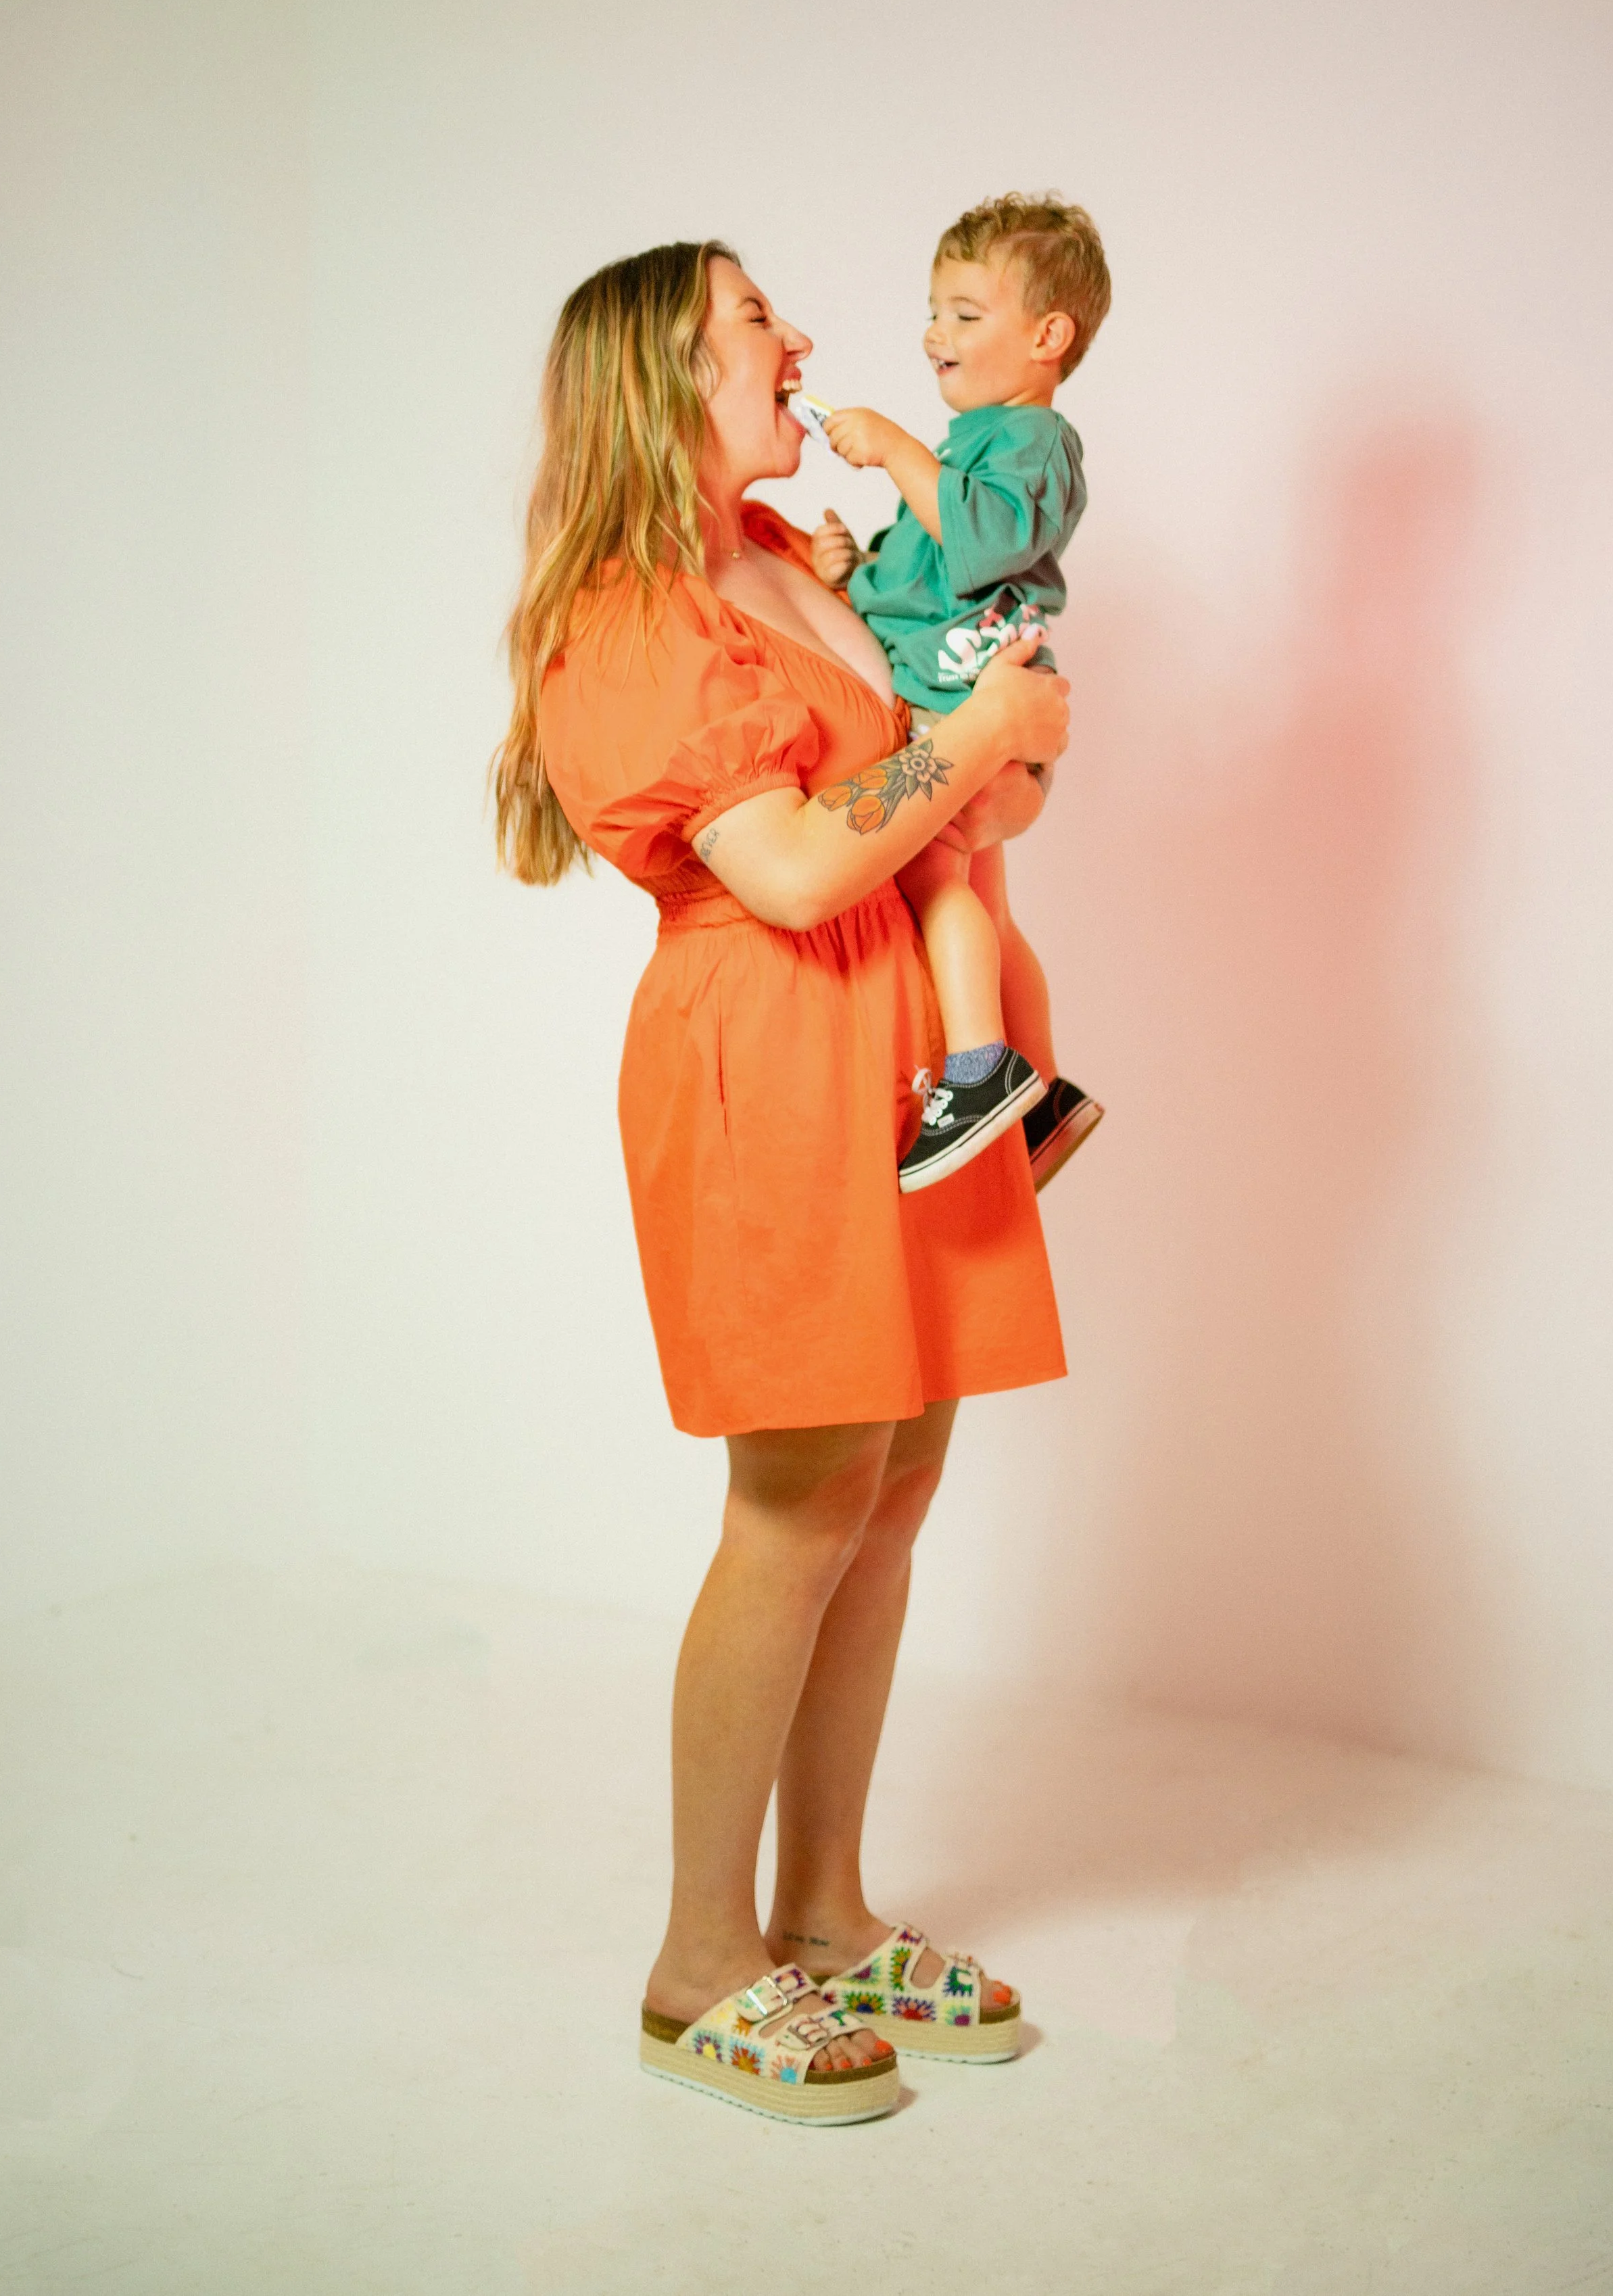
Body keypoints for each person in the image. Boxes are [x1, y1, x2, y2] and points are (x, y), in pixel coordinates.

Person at [492, 241, 1069, 2125]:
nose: (804, 338)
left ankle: (820, 1909)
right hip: (776, 1057)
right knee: (800, 1493)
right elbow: (801, 874)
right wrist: (974, 740)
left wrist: (997, 735)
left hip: (905, 1063)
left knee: (892, 1481)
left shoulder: (789, 557)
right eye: (758, 316)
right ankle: (694, 1960)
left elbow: (936, 774)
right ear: (660, 371)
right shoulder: (632, 610)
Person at [810, 193, 1111, 1195]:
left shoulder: (1030, 444)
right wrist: (850, 571)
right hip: (958, 697)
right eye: (934, 311)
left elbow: (978, 542)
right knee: (987, 900)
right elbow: (923, 573)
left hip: (963, 706)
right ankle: (1046, 1096)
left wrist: (899, 447)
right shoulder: (980, 443)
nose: (936, 333)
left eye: (966, 315)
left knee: (935, 876)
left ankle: (980, 1071)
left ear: (1047, 336)